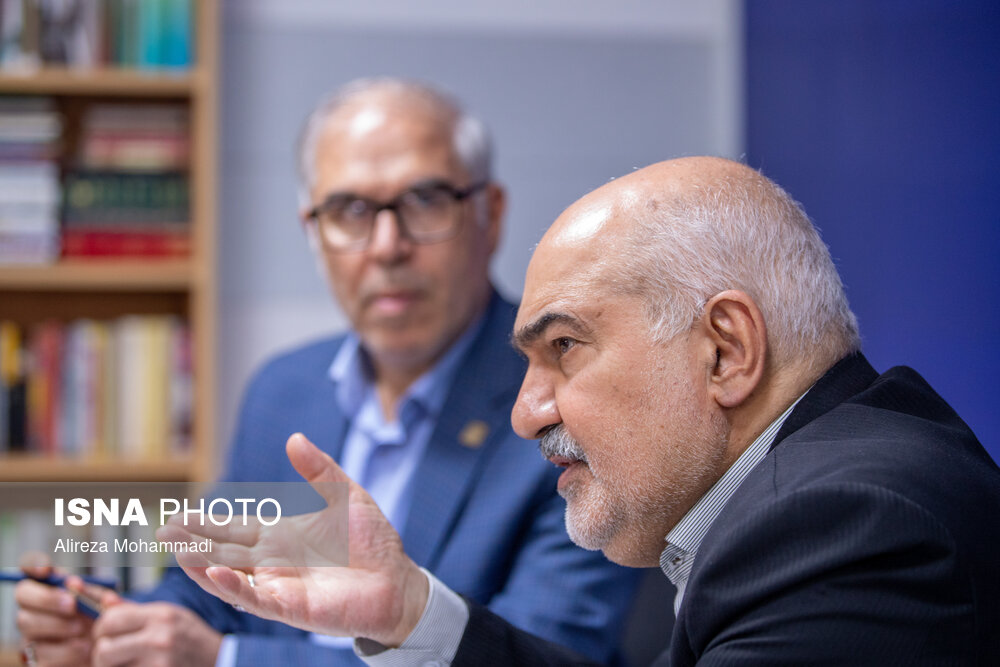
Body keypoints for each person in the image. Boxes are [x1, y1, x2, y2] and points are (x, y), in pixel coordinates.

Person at [163, 156, 1000, 665]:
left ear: (725, 349)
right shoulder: (820, 493)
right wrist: (410, 614)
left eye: (564, 346)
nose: (526, 412)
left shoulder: (847, 526)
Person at [14, 79, 639, 666]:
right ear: (312, 231)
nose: (387, 245)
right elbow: (210, 584)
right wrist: (116, 626)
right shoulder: (283, 391)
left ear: (491, 214)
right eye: (350, 209)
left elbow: (548, 650)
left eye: (425, 201)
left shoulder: (568, 401)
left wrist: (226, 658)